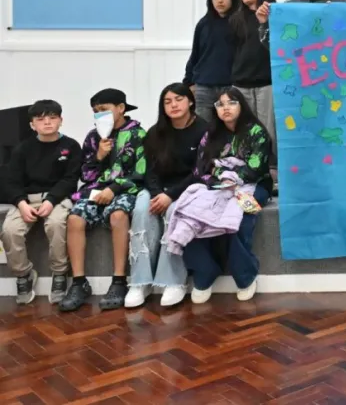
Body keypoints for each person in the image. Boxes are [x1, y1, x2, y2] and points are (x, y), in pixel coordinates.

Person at [182, 88, 273, 304]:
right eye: (220, 104)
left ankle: (245, 276)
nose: (226, 108)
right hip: (216, 186)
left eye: (231, 103)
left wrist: (228, 175)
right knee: (191, 217)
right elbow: (201, 168)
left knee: (238, 219)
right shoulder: (210, 134)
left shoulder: (256, 132)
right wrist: (220, 178)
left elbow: (256, 168)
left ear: (242, 105)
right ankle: (205, 272)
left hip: (254, 185)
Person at [60, 89, 146, 312]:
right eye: (96, 112)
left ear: (121, 108)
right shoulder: (93, 136)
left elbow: (142, 173)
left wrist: (115, 188)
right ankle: (79, 283)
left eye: (105, 110)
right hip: (95, 192)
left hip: (126, 190)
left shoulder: (139, 135)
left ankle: (119, 280)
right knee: (75, 219)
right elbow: (86, 176)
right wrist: (98, 156)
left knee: (118, 216)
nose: (100, 115)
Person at [125, 84, 209, 308]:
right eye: (167, 101)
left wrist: (170, 196)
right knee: (142, 209)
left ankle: (173, 281)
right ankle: (140, 281)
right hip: (158, 189)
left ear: (190, 101)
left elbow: (200, 172)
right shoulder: (156, 132)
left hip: (189, 189)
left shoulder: (204, 130)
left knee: (174, 213)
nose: (173, 105)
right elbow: (149, 170)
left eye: (178, 99)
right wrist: (157, 194)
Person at [0, 100, 81, 305]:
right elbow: (11, 180)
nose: (47, 122)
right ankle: (24, 274)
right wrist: (21, 203)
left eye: (52, 117)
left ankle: (60, 274)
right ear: (32, 124)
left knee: (56, 224)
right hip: (27, 200)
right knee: (10, 230)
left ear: (61, 121)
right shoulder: (22, 149)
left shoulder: (70, 146)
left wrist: (51, 200)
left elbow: (70, 179)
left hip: (58, 198)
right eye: (40, 119)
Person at [231, 0, 279, 173]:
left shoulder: (275, 14)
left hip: (266, 81)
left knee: (269, 128)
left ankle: (272, 167)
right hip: (241, 81)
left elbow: (276, 46)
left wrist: (265, 23)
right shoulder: (237, 18)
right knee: (245, 128)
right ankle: (248, 166)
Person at [184, 0, 239, 121]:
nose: (220, 0)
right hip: (204, 87)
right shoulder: (203, 24)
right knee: (203, 130)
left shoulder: (240, 22)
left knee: (231, 128)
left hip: (231, 86)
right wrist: (188, 83)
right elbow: (195, 55)